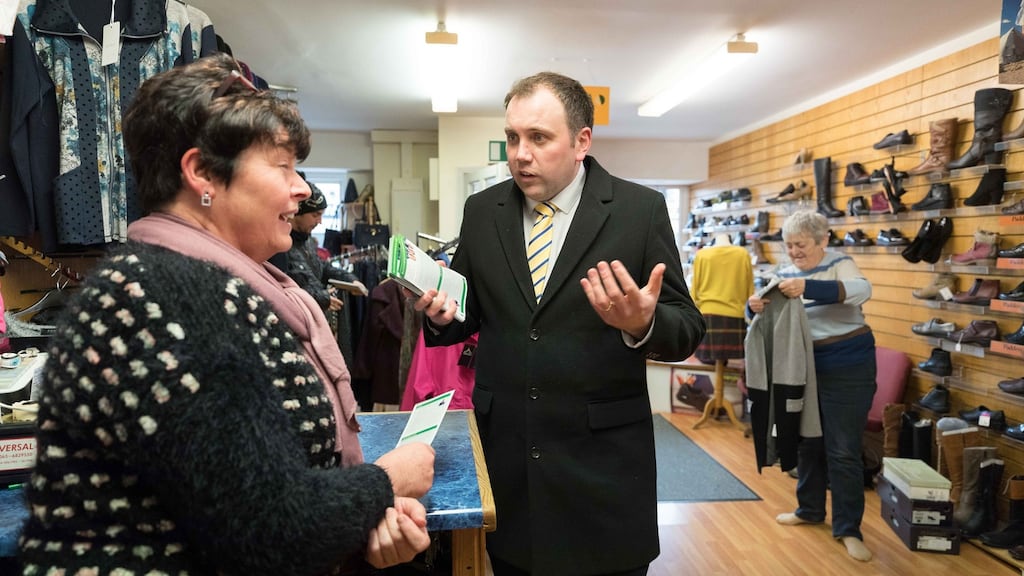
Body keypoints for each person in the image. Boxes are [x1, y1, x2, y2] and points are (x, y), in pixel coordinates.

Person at [19, 53, 435, 575]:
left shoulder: (211, 284)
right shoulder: (168, 296)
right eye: (282, 166)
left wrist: (360, 514)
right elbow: (272, 529)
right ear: (202, 174)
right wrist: (389, 479)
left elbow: (256, 489)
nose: (302, 187)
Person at [415, 71, 706, 575]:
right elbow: (467, 310)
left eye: (538, 138)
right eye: (512, 137)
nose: (519, 153)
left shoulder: (639, 211)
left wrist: (643, 322)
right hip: (509, 466)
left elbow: (686, 326)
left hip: (604, 473)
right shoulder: (483, 210)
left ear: (581, 142)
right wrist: (443, 314)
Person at [746, 209, 876, 562]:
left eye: (801, 245)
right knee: (807, 441)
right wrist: (752, 306)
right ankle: (809, 510)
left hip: (848, 365)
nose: (794, 252)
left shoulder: (841, 262)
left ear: (823, 241)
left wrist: (809, 287)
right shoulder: (783, 270)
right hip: (803, 366)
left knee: (844, 450)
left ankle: (849, 529)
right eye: (788, 245)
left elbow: (862, 291)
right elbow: (760, 308)